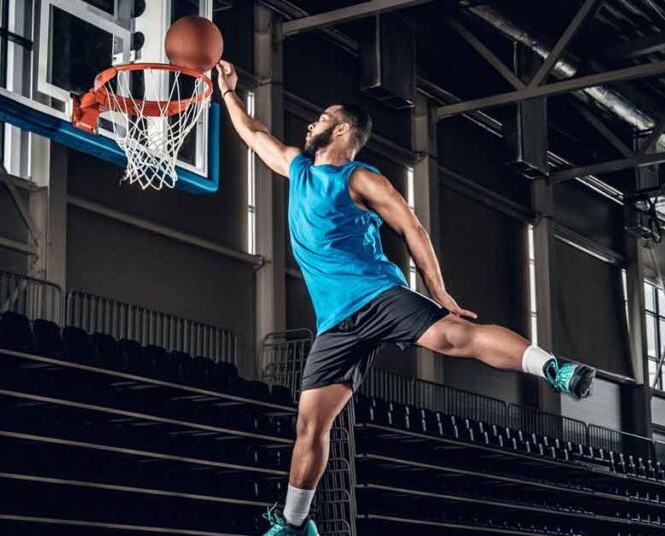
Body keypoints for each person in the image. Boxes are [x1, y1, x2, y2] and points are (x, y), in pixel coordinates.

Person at [214, 60, 596, 536]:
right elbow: (254, 134)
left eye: (322, 117)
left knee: (454, 337)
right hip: (335, 324)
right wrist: (228, 92)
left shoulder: (357, 177)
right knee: (311, 425)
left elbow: (408, 222)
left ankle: (553, 368)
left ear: (344, 129)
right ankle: (294, 524)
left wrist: (438, 290)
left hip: (377, 295)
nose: (312, 122)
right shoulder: (298, 168)